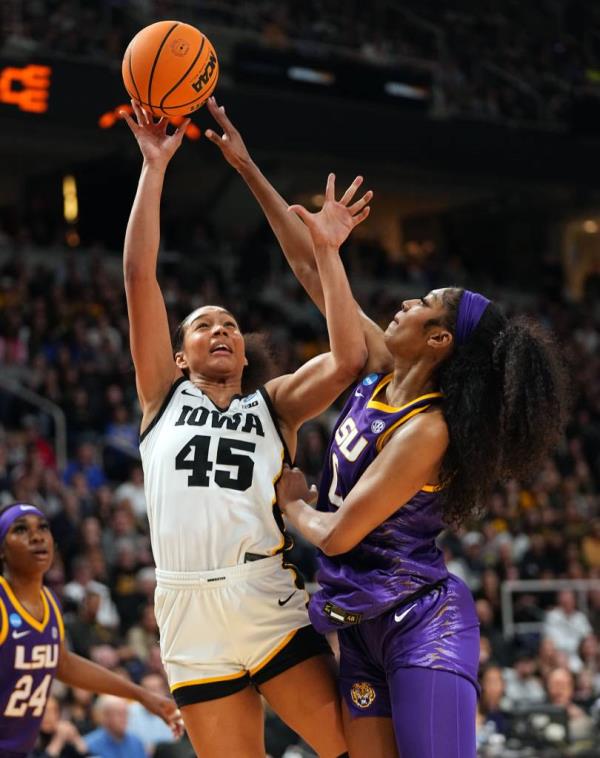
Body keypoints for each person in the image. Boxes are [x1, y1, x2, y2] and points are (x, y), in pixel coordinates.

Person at [203, 97, 568, 757]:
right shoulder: (375, 370)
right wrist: (246, 165)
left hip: (422, 622)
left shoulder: (427, 430)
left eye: (422, 304)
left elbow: (339, 534)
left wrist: (292, 505)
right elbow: (314, 271)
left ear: (436, 342)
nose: (403, 301)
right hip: (363, 622)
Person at [121, 97, 372, 757]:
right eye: (204, 324)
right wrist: (154, 168)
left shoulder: (275, 404)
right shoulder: (161, 396)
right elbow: (138, 275)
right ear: (180, 356)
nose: (221, 329)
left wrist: (327, 254)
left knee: (352, 746)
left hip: (263, 593)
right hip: (184, 608)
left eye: (229, 322)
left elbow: (349, 358)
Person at [0, 502, 183, 758]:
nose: (36, 536)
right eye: (20, 530)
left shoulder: (50, 601)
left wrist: (142, 695)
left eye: (43, 527)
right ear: (2, 550)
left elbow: (63, 663)